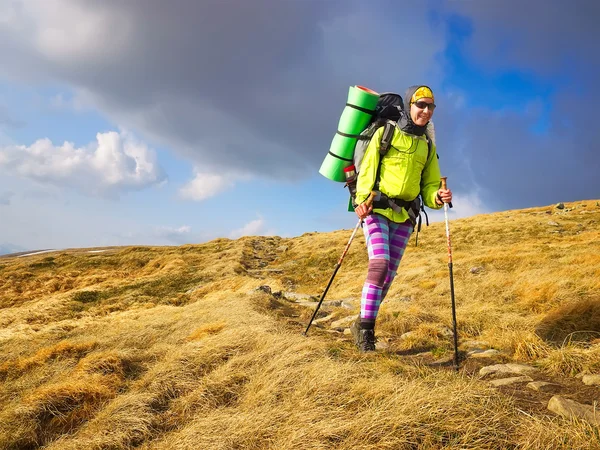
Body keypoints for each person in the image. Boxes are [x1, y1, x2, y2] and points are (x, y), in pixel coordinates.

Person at [350, 85, 453, 351]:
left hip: (407, 216)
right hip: (378, 210)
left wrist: (437, 197)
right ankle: (365, 332)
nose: (425, 110)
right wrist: (360, 201)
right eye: (420, 105)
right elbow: (368, 168)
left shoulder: (427, 146)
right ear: (409, 105)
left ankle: (362, 319)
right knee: (379, 265)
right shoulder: (387, 133)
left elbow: (430, 185)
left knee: (389, 275)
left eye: (430, 106)